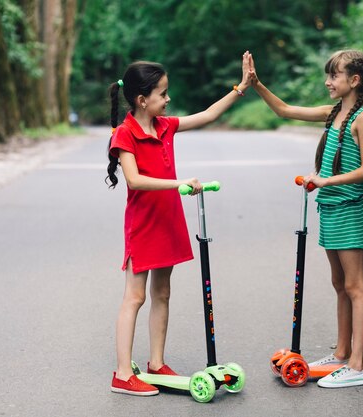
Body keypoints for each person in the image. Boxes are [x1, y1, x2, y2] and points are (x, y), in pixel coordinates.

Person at [106, 53, 252, 396]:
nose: (168, 99)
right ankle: (123, 373)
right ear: (143, 100)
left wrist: (240, 87)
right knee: (135, 297)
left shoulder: (165, 126)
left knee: (163, 293)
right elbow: (135, 180)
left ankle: (156, 363)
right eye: (163, 93)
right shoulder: (125, 134)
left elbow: (208, 114)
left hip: (169, 220)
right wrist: (178, 183)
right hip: (143, 224)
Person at [248, 50, 363, 388]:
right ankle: (343, 353)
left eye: (334, 76)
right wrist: (256, 84)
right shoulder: (333, 114)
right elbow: (286, 110)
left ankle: (358, 365)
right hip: (330, 207)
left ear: (354, 80)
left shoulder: (362, 117)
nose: (328, 81)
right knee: (339, 285)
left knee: (355, 286)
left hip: (348, 208)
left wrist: (324, 179)